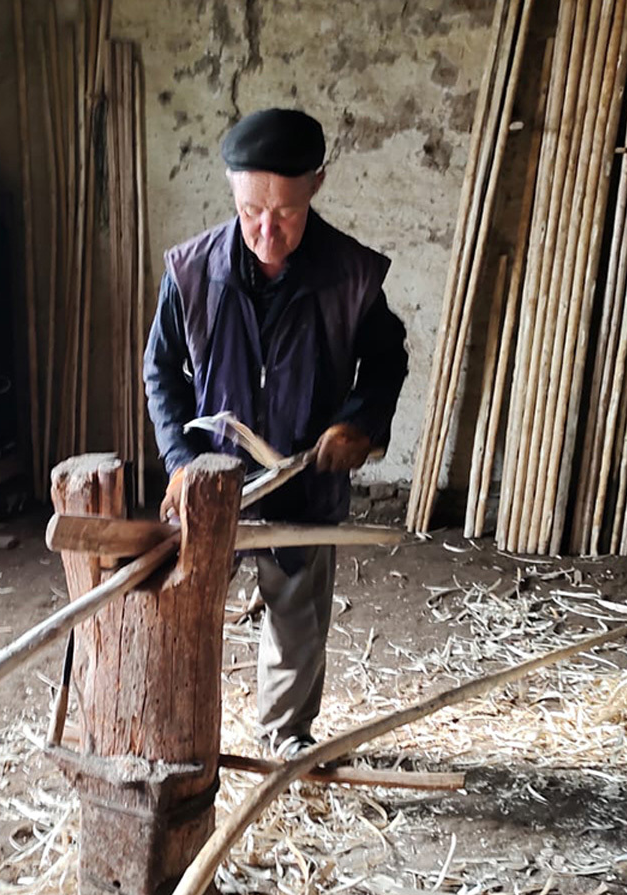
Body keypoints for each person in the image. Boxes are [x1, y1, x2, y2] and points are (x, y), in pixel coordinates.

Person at [143, 108, 408, 757]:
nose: (266, 231)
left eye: (284, 213)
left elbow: (387, 360)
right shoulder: (193, 271)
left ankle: (283, 745)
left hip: (304, 487)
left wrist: (359, 423)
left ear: (316, 184)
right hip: (213, 486)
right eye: (250, 210)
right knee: (183, 610)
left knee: (296, 623)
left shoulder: (349, 276)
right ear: (233, 190)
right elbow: (161, 371)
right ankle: (178, 741)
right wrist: (180, 459)